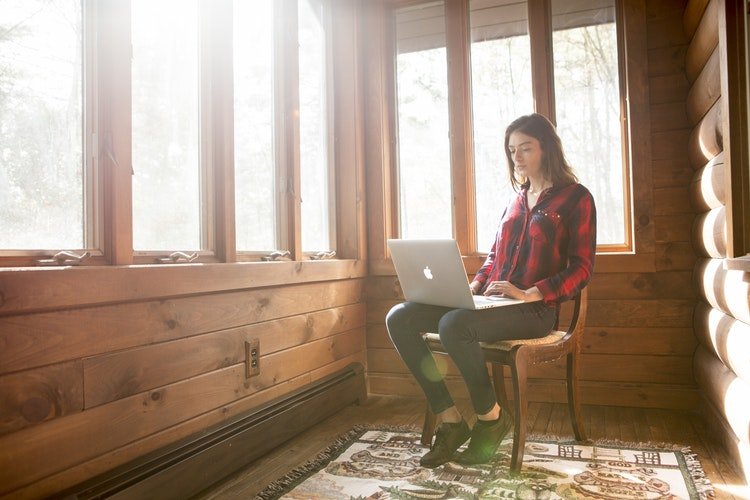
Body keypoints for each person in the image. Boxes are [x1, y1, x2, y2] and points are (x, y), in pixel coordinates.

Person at [386, 113, 596, 468]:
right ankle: (450, 421)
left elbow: (583, 268)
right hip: (490, 305)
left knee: (455, 325)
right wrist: (473, 286)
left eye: (525, 148)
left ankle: (491, 418)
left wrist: (532, 292)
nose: (517, 157)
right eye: (512, 150)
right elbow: (494, 257)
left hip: (535, 312)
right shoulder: (516, 200)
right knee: (400, 317)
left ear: (547, 148)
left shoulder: (576, 198)